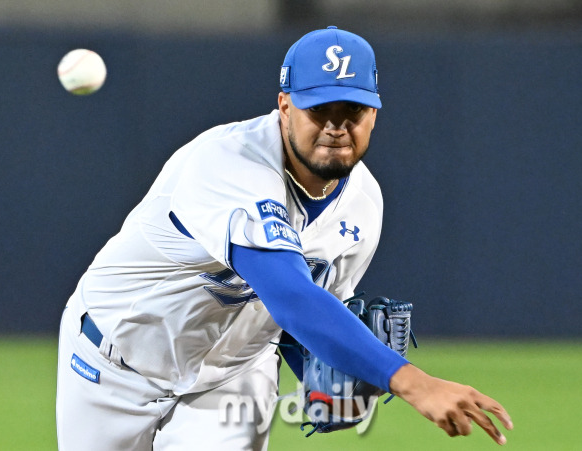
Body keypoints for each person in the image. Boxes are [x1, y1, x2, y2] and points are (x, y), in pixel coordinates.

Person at [56, 26, 513, 450]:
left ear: (373, 113)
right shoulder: (228, 163)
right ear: (285, 106)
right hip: (115, 362)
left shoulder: (365, 204)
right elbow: (291, 295)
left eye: (352, 110)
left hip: (230, 379)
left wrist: (330, 377)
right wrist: (414, 382)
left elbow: (307, 314)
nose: (336, 127)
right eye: (319, 110)